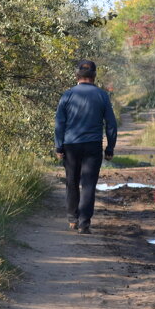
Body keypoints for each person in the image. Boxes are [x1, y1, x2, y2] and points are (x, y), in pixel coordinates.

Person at [54, 60, 118, 234]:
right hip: (92, 146)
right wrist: (110, 148)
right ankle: (84, 223)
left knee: (71, 182)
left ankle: (72, 219)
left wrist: (59, 146)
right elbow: (111, 124)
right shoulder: (102, 95)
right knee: (88, 184)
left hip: (70, 145)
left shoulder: (67, 95)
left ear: (77, 75)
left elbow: (60, 123)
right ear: (94, 75)